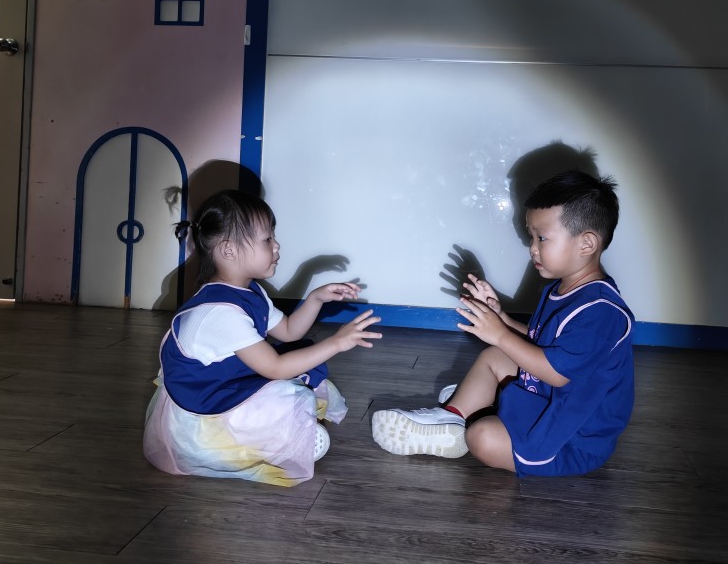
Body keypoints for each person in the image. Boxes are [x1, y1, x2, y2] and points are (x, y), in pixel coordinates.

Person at [372, 170, 634, 477]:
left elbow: (557, 373)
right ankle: (452, 417)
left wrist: (500, 335)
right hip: (548, 398)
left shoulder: (602, 312)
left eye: (541, 237)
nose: (532, 247)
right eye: (531, 237)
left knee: (482, 437)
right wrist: (502, 319)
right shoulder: (562, 289)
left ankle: (473, 416)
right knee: (496, 356)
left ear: (586, 244)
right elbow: (540, 340)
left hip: (569, 438)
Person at [143, 189, 382, 486]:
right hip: (206, 412)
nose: (277, 245)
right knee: (289, 389)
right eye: (267, 239)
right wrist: (337, 342)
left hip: (224, 385)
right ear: (229, 250)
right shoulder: (221, 313)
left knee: (299, 369)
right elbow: (276, 369)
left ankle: (283, 429)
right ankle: (246, 442)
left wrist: (315, 299)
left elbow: (290, 331)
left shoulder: (249, 291)